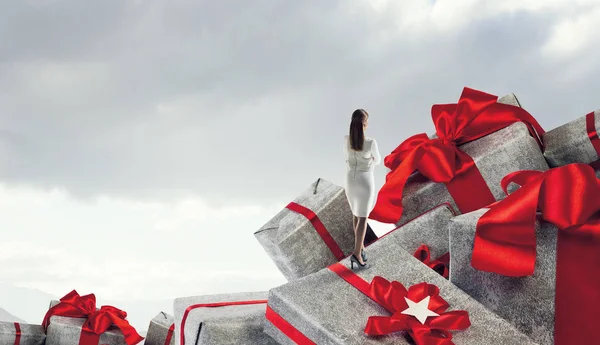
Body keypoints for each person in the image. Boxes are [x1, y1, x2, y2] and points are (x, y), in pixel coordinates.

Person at [343, 109, 381, 269]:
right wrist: (370, 161)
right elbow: (378, 160)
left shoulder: (346, 140)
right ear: (365, 123)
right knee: (363, 217)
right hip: (365, 179)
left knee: (356, 214)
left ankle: (361, 249)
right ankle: (357, 253)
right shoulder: (370, 142)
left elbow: (346, 158)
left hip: (350, 179)